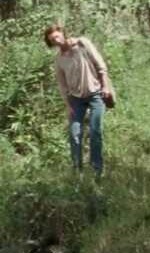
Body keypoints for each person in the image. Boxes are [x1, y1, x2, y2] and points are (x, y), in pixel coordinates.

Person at [44, 23, 114, 177]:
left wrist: (105, 87)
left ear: (62, 33)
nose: (56, 40)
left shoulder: (82, 43)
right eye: (52, 40)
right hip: (75, 99)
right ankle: (77, 170)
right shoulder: (59, 60)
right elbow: (62, 85)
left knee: (95, 131)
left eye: (57, 36)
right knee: (74, 133)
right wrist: (67, 105)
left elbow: (100, 65)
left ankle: (97, 170)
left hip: (96, 94)